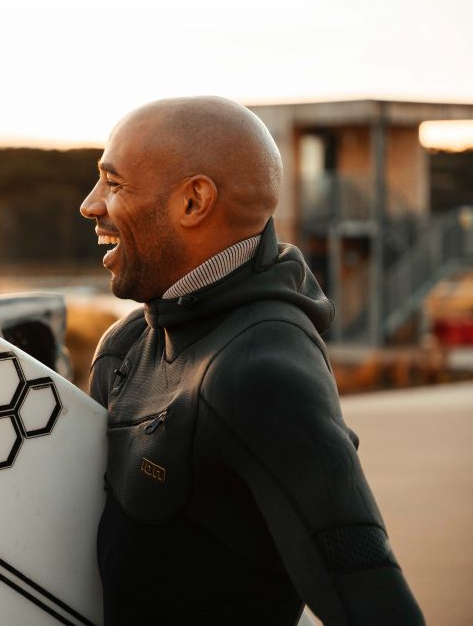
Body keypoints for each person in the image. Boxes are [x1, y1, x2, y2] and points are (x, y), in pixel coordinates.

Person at [80, 96, 423, 625]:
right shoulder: (126, 346)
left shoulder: (264, 372)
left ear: (193, 202)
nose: (91, 204)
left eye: (114, 183)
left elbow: (374, 604)